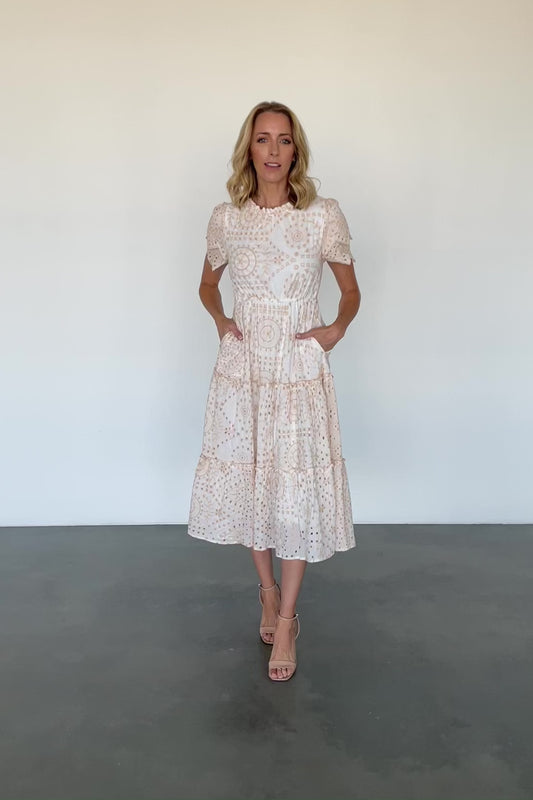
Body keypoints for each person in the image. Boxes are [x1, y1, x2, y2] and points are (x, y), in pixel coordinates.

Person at [188, 101, 361, 681]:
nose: (272, 150)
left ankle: (287, 621)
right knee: (253, 481)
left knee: (294, 492)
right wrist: (222, 321)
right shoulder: (227, 219)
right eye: (262, 139)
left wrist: (334, 330)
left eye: (283, 140)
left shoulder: (322, 215)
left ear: (295, 151)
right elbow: (207, 284)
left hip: (296, 366)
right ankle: (266, 592)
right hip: (246, 368)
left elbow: (351, 291)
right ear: (249, 149)